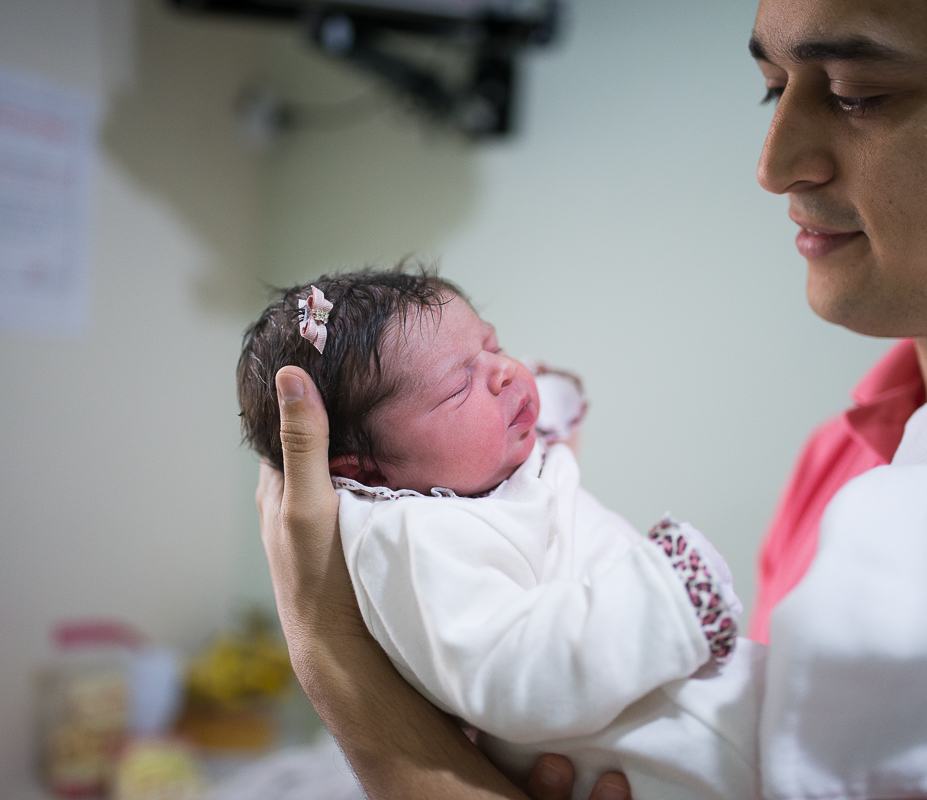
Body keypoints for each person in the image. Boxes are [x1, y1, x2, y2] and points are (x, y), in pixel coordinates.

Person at [255, 0, 927, 797]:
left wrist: (347, 681)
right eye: (773, 89)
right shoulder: (839, 459)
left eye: (858, 93)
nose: (774, 165)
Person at [237, 270, 757, 799]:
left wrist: (546, 407)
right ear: (369, 473)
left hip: (694, 713)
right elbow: (511, 670)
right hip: (678, 751)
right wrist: (664, 599)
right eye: (459, 384)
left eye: (493, 345)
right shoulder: (412, 537)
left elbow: (523, 439)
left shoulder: (474, 474)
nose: (506, 372)